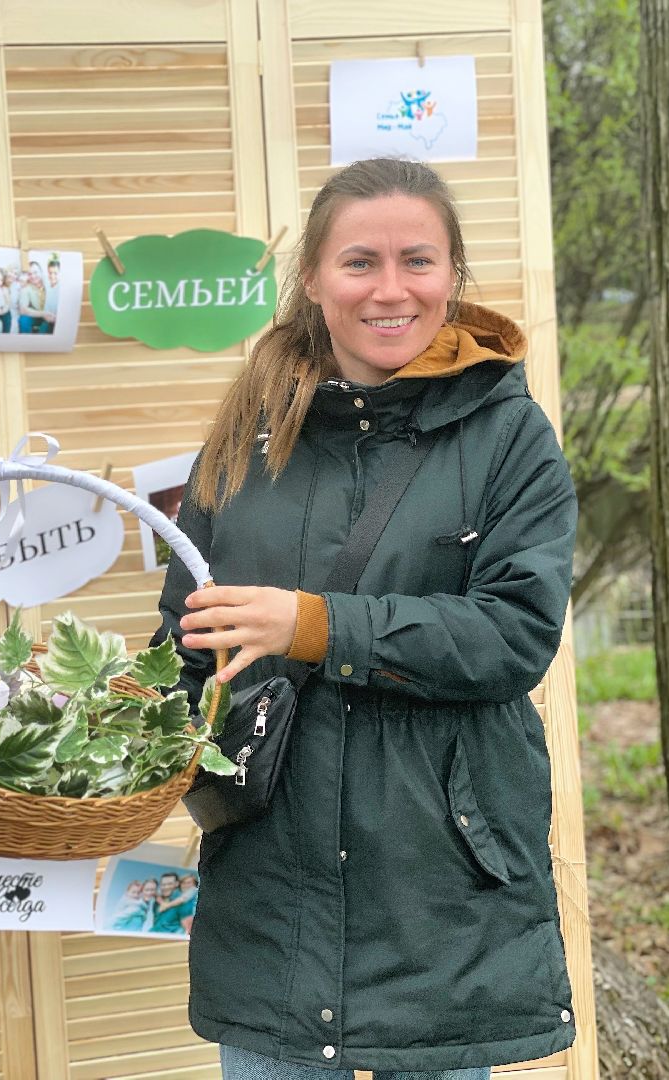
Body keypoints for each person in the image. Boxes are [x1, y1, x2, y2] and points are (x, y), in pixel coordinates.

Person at [152, 158, 577, 1076]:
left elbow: (516, 634)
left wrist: (315, 626)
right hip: (273, 899)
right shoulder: (245, 439)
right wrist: (117, 741)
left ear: (453, 273)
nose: (391, 290)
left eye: (418, 260)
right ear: (313, 278)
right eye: (360, 263)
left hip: (440, 899)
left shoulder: (508, 435)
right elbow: (179, 646)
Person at [34, 259, 61, 334]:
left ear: (60, 273)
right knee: (41, 335)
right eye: (50, 273)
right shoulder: (46, 283)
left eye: (55, 273)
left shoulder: (61, 288)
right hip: (46, 319)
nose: (52, 276)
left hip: (58, 321)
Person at [18, 262, 46, 333]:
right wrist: (44, 314)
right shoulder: (26, 288)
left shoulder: (49, 283)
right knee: (24, 319)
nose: (33, 276)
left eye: (35, 272)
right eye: (30, 274)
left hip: (52, 315)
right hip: (37, 315)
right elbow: (22, 310)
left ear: (41, 272)